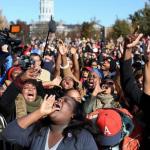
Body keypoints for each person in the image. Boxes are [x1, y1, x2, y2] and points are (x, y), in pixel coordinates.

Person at [2, 95, 98, 150]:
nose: (59, 100)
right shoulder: (38, 130)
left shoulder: (82, 137)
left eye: (66, 101)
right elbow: (8, 134)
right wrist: (39, 112)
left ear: (73, 114)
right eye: (58, 99)